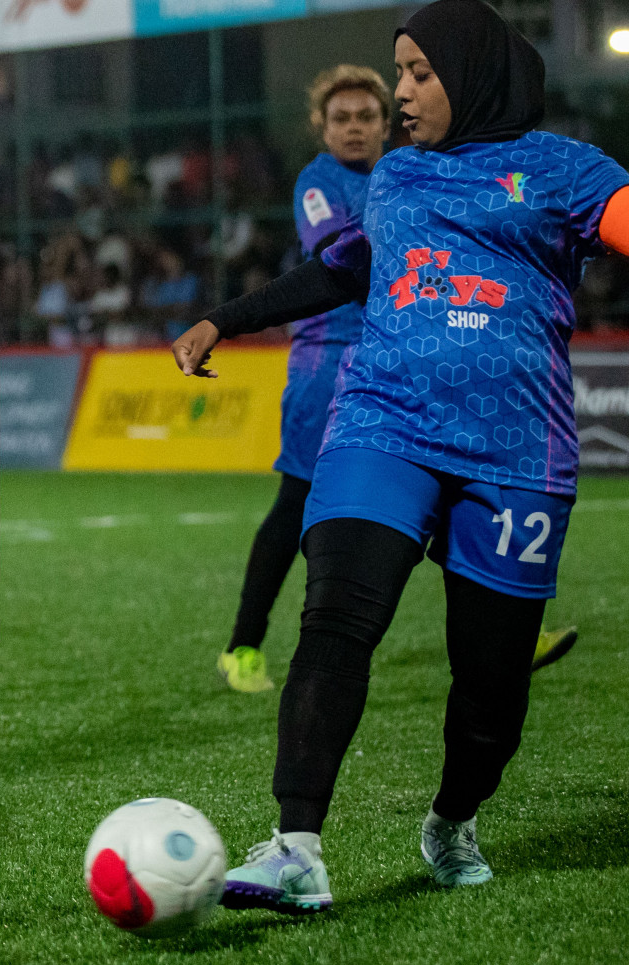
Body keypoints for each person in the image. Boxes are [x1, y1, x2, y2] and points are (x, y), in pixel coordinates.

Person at [171, 0, 629, 909]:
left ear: (473, 73)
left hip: (516, 453)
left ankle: (453, 817)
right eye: (399, 71)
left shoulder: (569, 170)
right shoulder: (398, 174)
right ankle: (296, 847)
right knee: (337, 614)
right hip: (384, 423)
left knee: (492, 684)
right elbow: (345, 268)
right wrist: (230, 315)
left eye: (421, 72)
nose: (401, 91)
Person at [217, 65, 392, 693]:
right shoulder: (319, 182)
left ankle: (504, 628)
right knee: (295, 504)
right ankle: (243, 645)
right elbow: (334, 253)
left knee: (444, 486)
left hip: (392, 353)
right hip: (328, 359)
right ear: (321, 127)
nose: (353, 127)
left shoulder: (399, 176)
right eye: (341, 118)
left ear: (385, 124)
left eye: (366, 117)